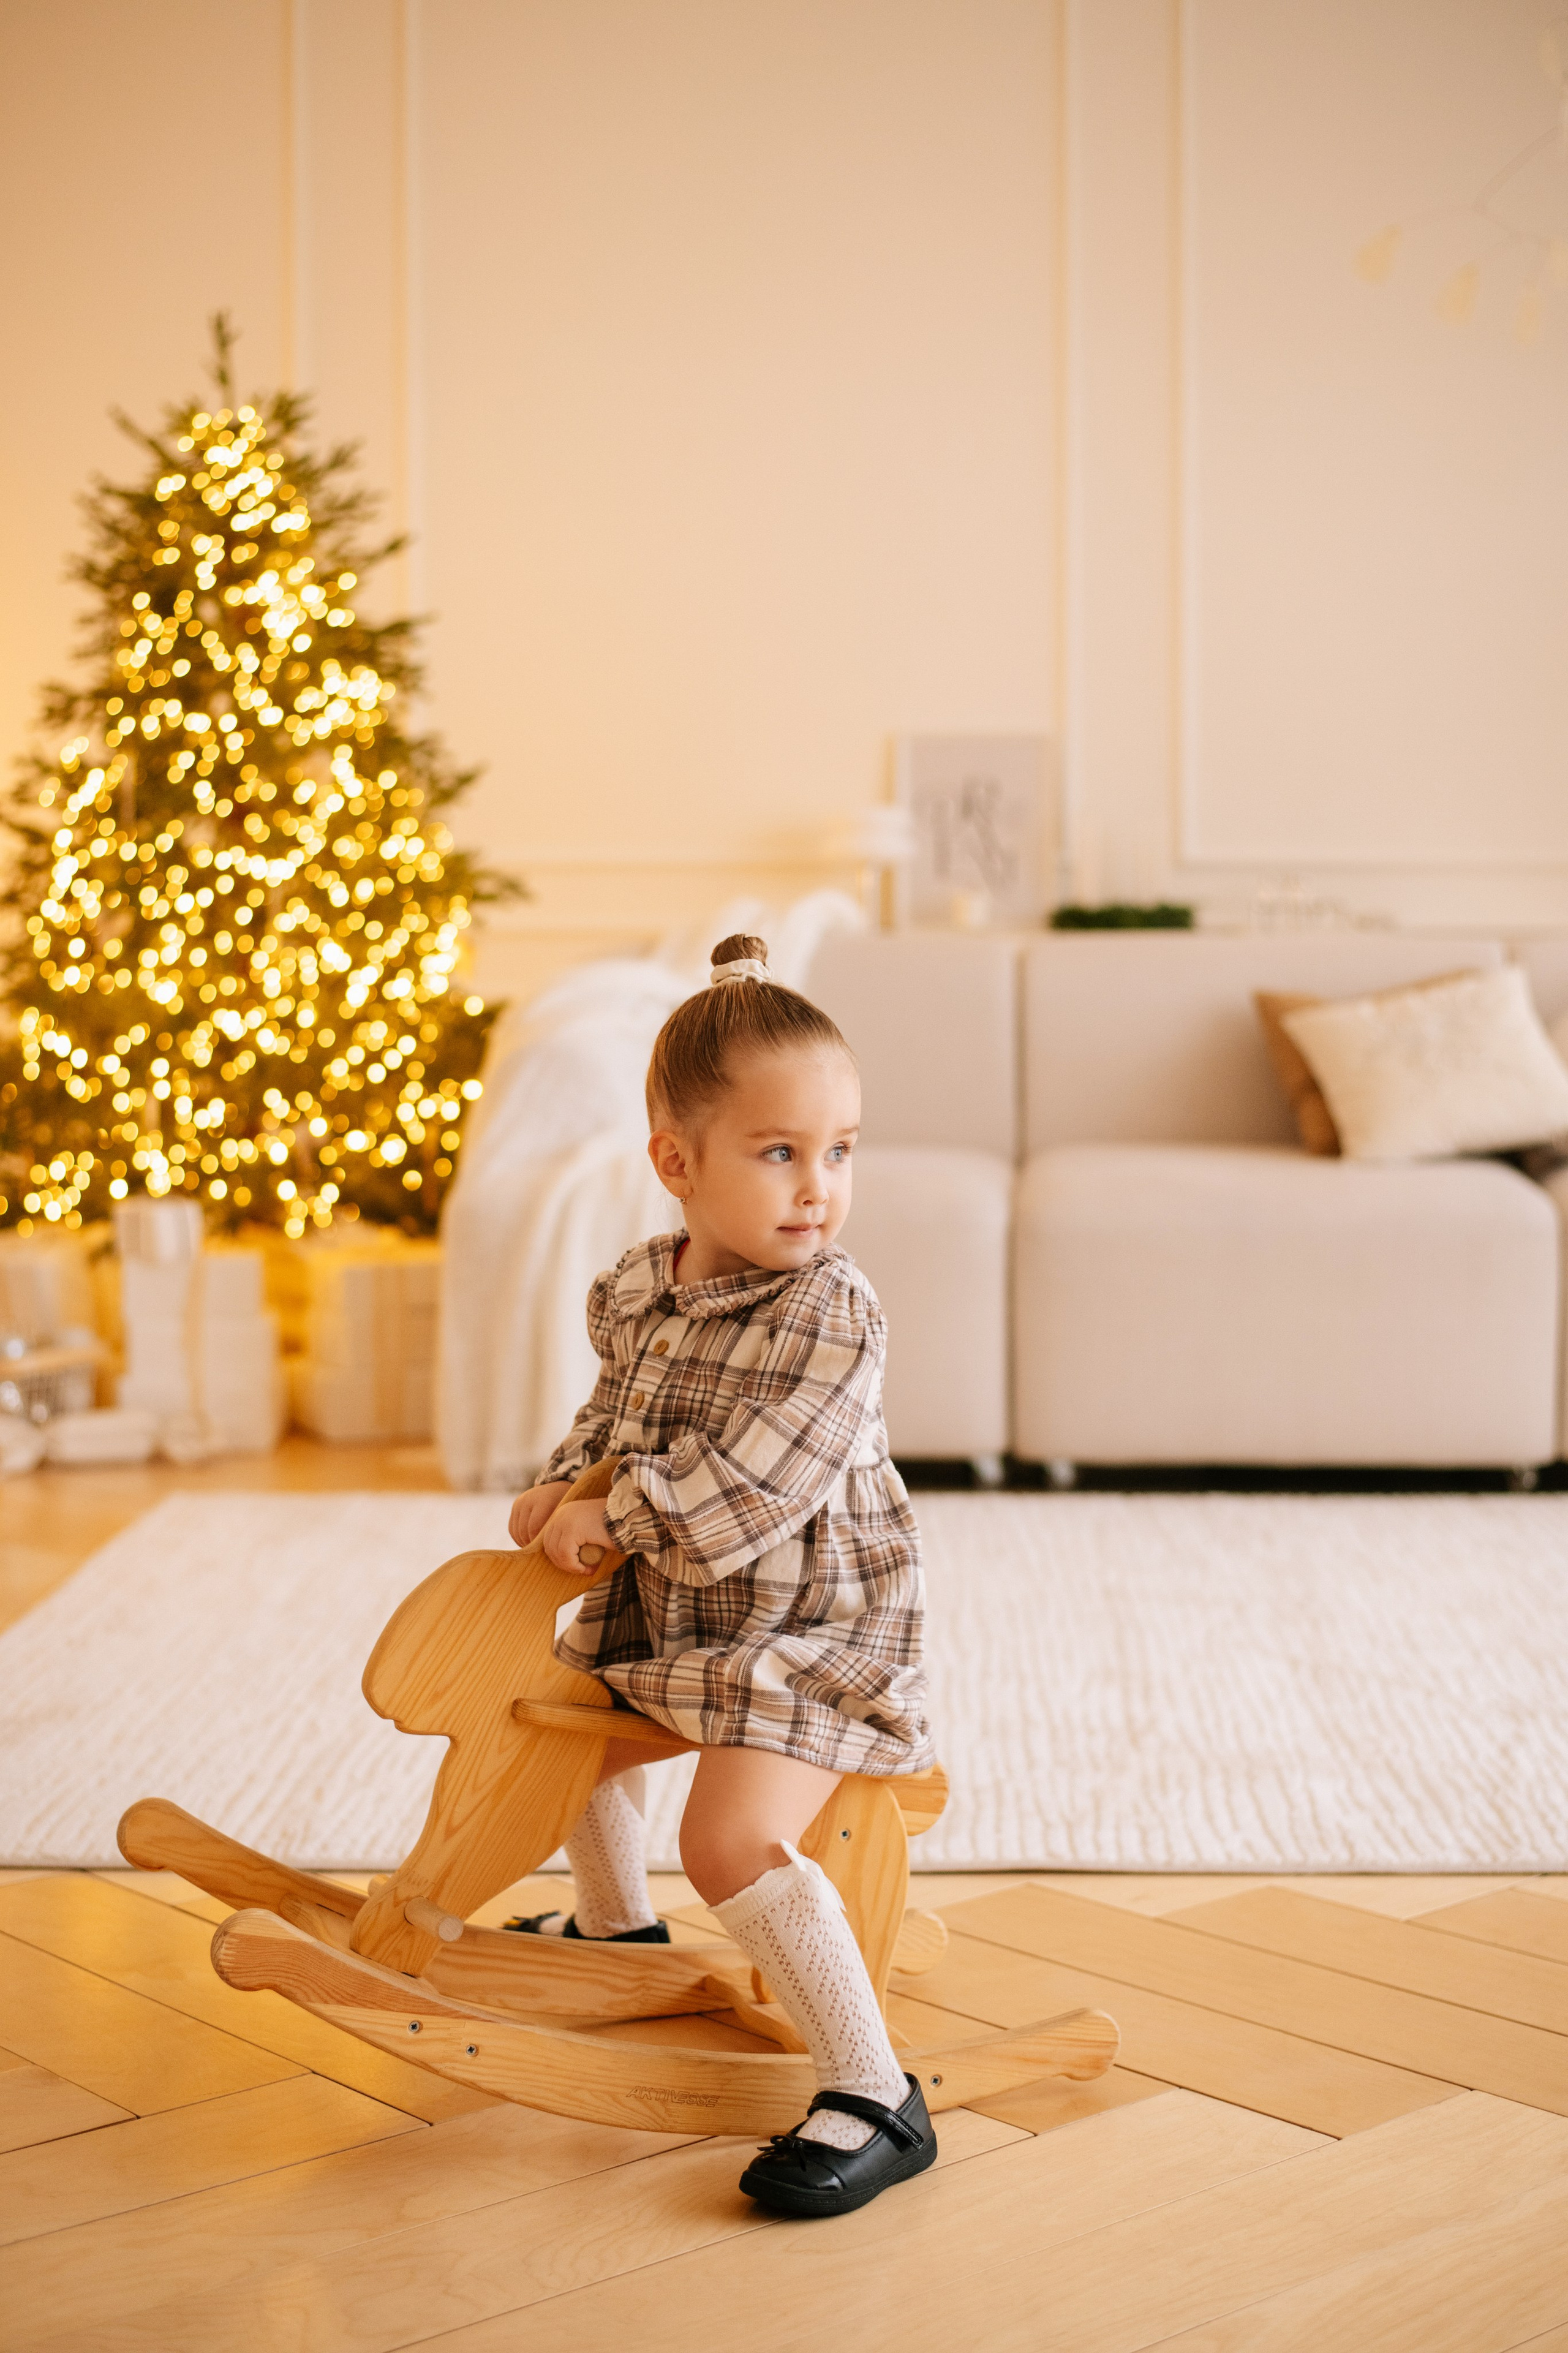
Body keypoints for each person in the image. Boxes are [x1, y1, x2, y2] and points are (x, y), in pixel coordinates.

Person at [507, 932, 936, 2219]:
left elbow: (752, 1492)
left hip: (805, 1623)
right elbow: (612, 1421)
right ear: (675, 1164)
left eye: (840, 1149)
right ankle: (611, 1927)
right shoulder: (639, 1287)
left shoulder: (828, 1311)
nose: (819, 1188)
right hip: (678, 1605)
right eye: (780, 1151)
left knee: (728, 1834)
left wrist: (615, 1515)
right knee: (553, 1718)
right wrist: (559, 1486)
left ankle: (873, 2090)